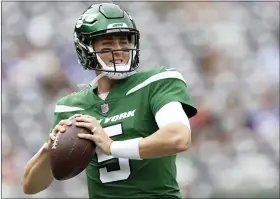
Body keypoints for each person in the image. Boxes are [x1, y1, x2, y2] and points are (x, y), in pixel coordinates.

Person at [22, 3, 197, 199]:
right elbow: (30, 186)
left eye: (124, 41)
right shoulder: (71, 106)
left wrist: (112, 147)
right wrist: (50, 147)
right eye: (108, 43)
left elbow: (179, 138)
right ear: (85, 48)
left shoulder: (156, 82)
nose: (119, 50)